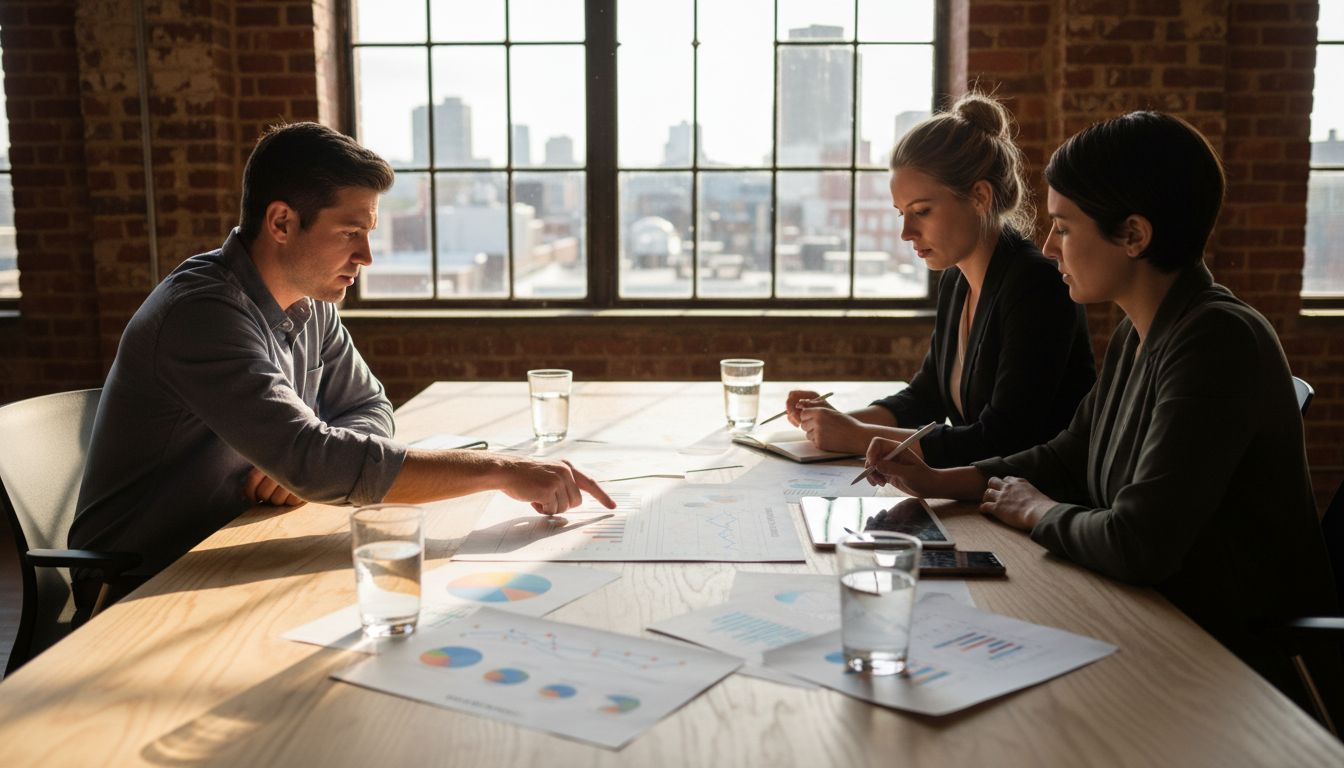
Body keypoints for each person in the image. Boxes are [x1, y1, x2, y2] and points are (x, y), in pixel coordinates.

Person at [862, 111, 1338, 714]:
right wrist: (939, 480)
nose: (1047, 246)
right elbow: (1069, 455)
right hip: (1154, 617)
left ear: (1134, 235)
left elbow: (1139, 543)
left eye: (1063, 227)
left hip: (1227, 665)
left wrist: (1037, 510)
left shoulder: (1216, 340)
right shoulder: (1145, 331)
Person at [70, 122, 614, 618]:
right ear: (281, 222)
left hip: (242, 541)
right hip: (142, 580)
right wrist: (500, 470)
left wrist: (301, 466)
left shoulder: (312, 303)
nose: (367, 257)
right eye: (351, 232)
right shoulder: (201, 313)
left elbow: (368, 407)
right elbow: (311, 457)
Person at [785, 94, 1095, 468]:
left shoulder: (1037, 286)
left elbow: (1004, 439)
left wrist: (856, 435)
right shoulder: (956, 279)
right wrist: (835, 421)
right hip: (981, 489)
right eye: (901, 213)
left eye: (922, 211)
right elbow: (926, 396)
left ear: (980, 197)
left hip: (1039, 493)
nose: (906, 232)